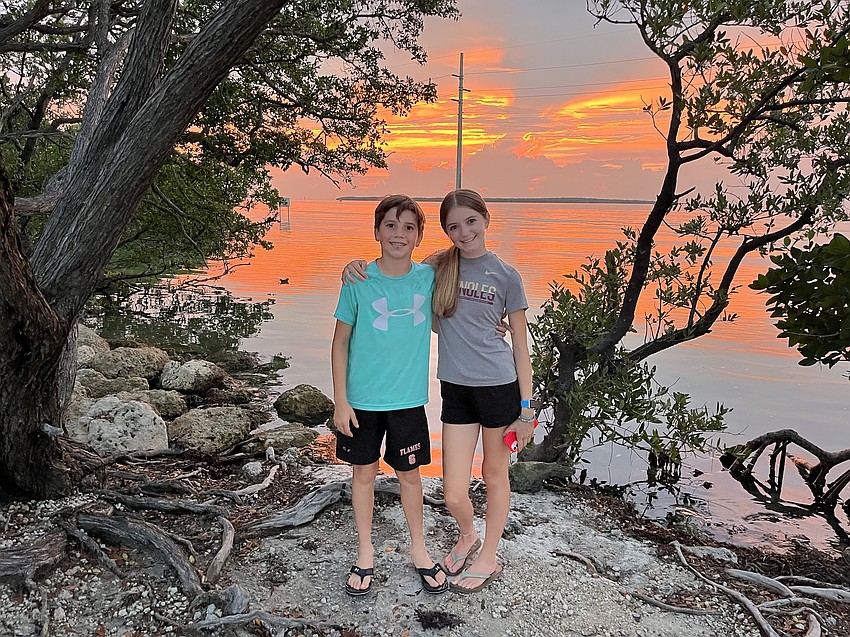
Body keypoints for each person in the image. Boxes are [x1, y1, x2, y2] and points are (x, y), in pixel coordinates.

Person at [342, 189, 535, 594]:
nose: (464, 232)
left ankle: (489, 556)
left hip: (501, 388)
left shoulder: (506, 275)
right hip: (455, 390)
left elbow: (520, 343)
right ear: (444, 232)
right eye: (453, 226)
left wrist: (527, 409)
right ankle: (468, 534)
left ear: (485, 218)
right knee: (451, 492)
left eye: (470, 221)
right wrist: (353, 265)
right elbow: (396, 267)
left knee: (495, 475)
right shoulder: (438, 268)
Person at [331, 194, 448, 597]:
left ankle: (419, 550)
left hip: (408, 400)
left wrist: (494, 322)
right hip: (361, 400)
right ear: (376, 231)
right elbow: (340, 343)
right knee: (363, 474)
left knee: (411, 478)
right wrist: (340, 401)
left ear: (418, 236)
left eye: (408, 227)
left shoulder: (427, 278)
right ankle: (365, 553)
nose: (399, 234)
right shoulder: (359, 281)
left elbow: (461, 259)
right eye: (391, 226)